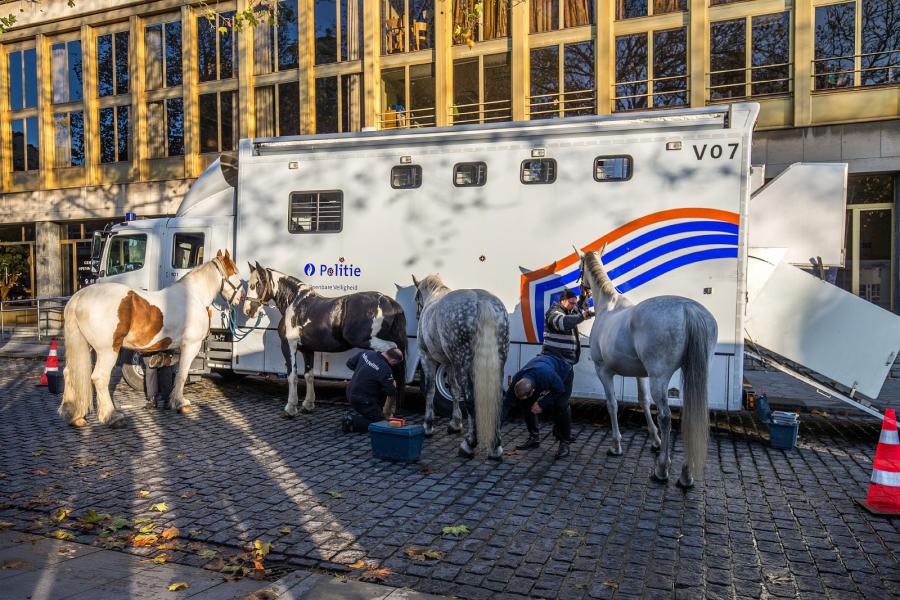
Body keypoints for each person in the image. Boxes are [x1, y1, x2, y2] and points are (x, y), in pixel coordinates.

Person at [539, 289, 594, 446]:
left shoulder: (569, 309)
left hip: (566, 365)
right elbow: (564, 323)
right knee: (561, 400)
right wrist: (582, 316)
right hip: (555, 364)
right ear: (562, 301)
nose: (573, 306)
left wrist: (584, 296)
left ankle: (559, 432)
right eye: (571, 303)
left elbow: (580, 309)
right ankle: (563, 435)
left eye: (574, 303)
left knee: (561, 400)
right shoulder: (553, 312)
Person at [501, 352, 574, 459]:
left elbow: (559, 389)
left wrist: (541, 404)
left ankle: (565, 444)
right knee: (526, 404)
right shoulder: (518, 378)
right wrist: (496, 427)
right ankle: (534, 438)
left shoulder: (546, 376)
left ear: (533, 390)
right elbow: (506, 404)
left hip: (564, 372)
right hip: (543, 366)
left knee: (561, 405)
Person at [341, 348, 404, 433]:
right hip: (363, 400)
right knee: (381, 423)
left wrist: (365, 372)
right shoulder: (385, 369)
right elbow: (390, 391)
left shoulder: (367, 353)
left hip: (350, 392)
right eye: (395, 364)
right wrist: (393, 383)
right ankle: (352, 421)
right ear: (393, 360)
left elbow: (350, 364)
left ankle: (371, 413)